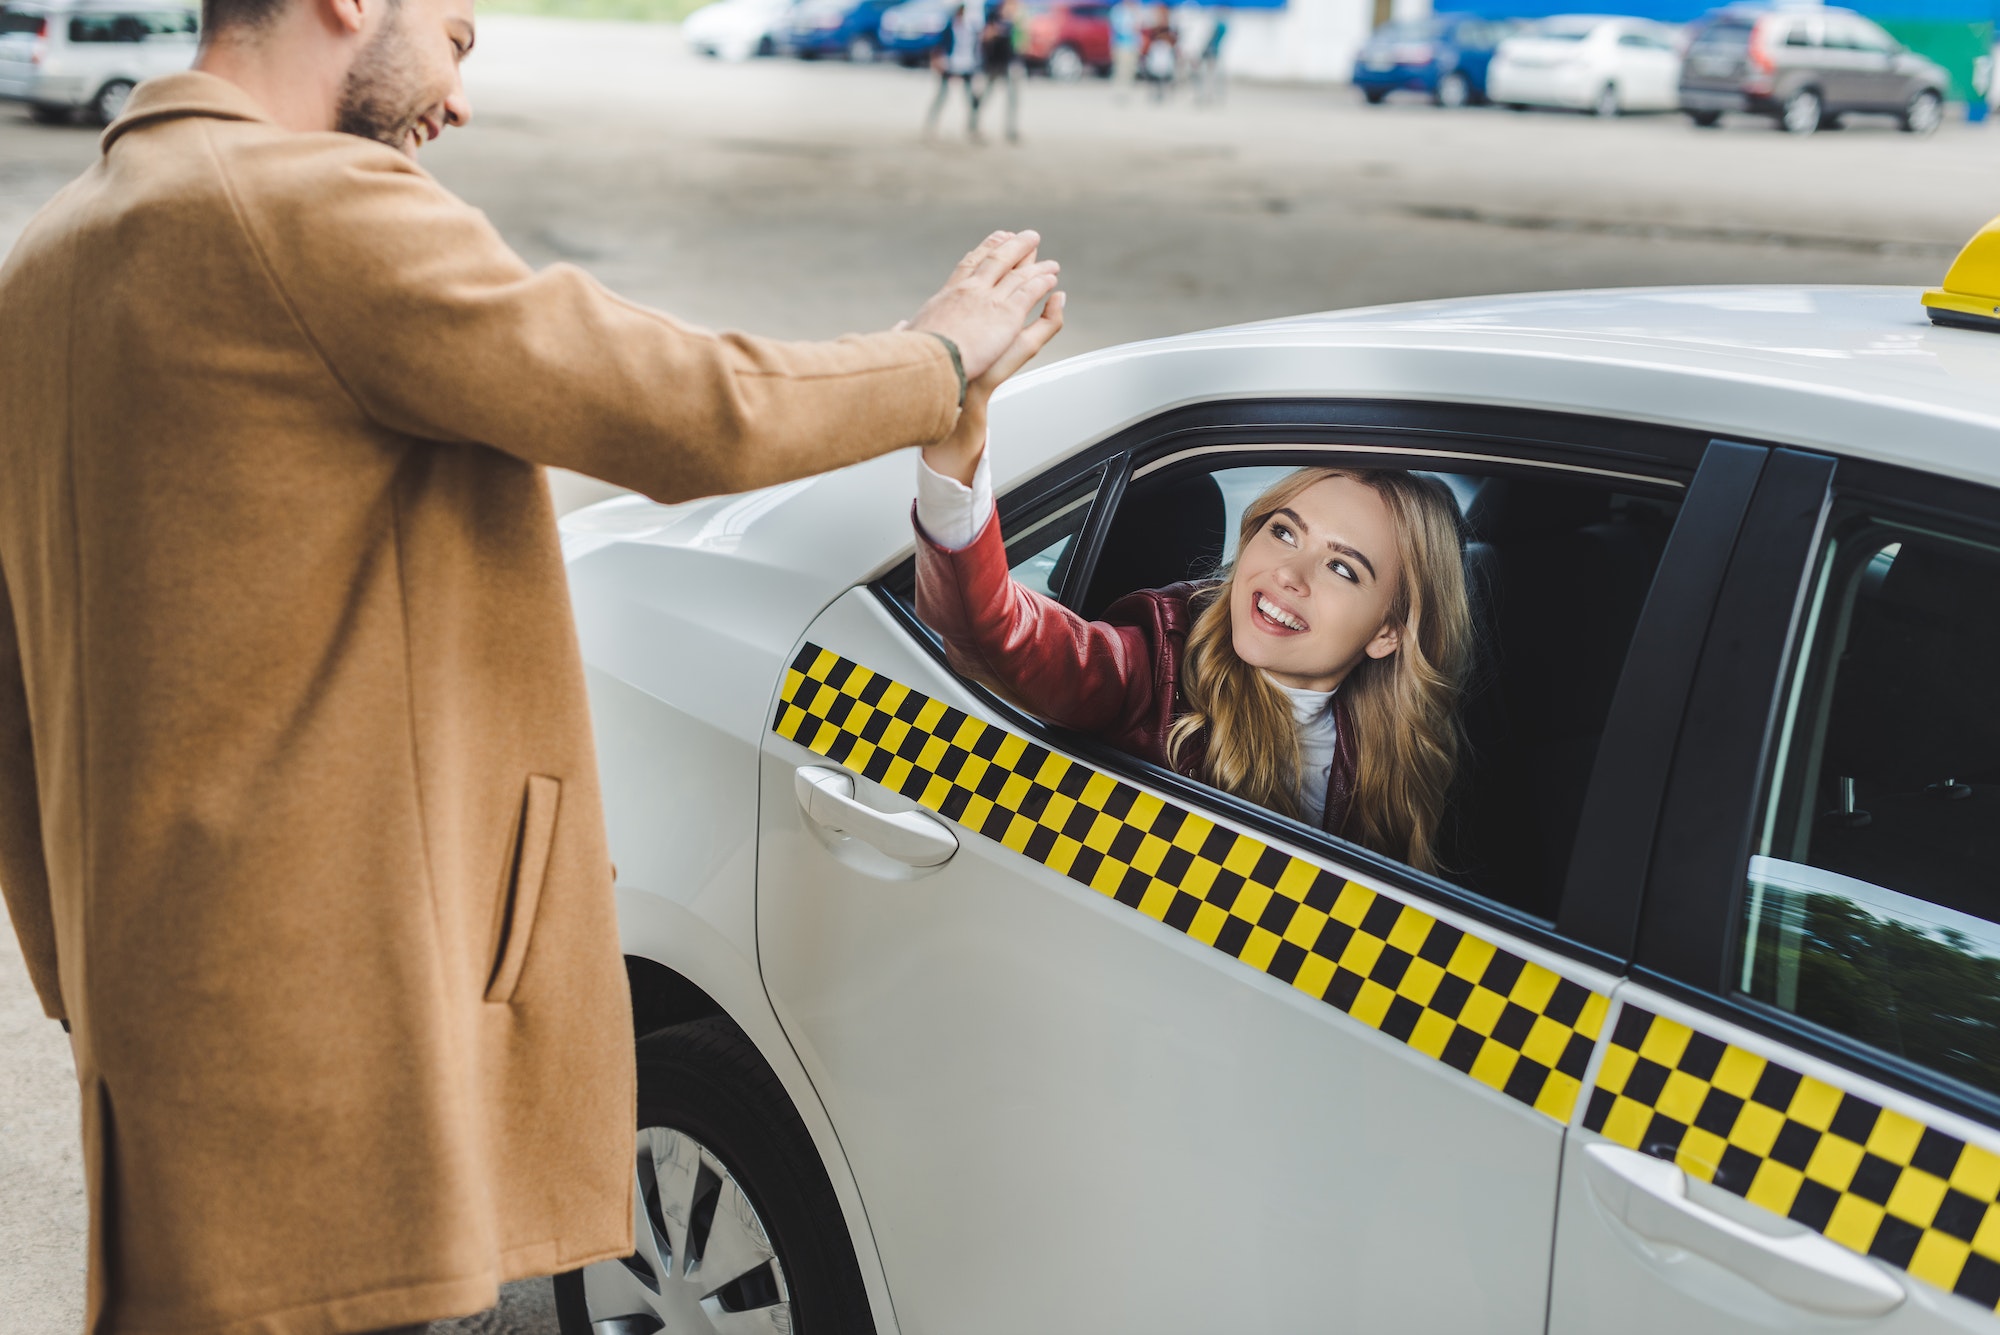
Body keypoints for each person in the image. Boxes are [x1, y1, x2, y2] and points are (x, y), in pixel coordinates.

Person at [0, 0, 1064, 1322]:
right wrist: (940, 359)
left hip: (156, 1031)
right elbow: (677, 407)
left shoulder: (49, 255)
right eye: (455, 38)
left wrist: (84, 985)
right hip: (330, 1043)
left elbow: (17, 707)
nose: (458, 100)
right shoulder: (297, 204)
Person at [912, 309, 1474, 873]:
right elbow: (1004, 633)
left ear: (1388, 633)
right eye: (1284, 532)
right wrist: (955, 467)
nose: (1289, 574)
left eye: (1342, 569)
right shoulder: (1154, 670)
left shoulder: (1387, 750)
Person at [926, 1, 982, 138]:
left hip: (967, 64)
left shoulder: (970, 28)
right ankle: (931, 124)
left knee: (970, 99)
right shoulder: (950, 27)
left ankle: (972, 127)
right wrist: (938, 60)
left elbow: (975, 48)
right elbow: (939, 45)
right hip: (951, 64)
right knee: (942, 95)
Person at [973, 0, 1021, 144]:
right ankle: (975, 125)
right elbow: (985, 37)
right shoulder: (993, 16)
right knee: (986, 96)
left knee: (1013, 98)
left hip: (1008, 63)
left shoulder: (1014, 21)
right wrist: (995, 31)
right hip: (993, 64)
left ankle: (1010, 129)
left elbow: (1016, 44)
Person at [1140, 4, 1178, 100]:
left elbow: (1173, 40)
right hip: (1155, 53)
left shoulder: (1169, 27)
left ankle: (1163, 93)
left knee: (1164, 74)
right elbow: (1147, 38)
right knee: (1153, 74)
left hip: (1164, 53)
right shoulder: (1153, 27)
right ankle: (1154, 93)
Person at [1110, 0, 1140, 100]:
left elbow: (1137, 29)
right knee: (1121, 70)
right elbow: (1116, 29)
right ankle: (1119, 92)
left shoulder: (1135, 11)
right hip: (1122, 45)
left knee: (1130, 69)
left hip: (1132, 45)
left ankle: (1127, 92)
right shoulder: (1118, 10)